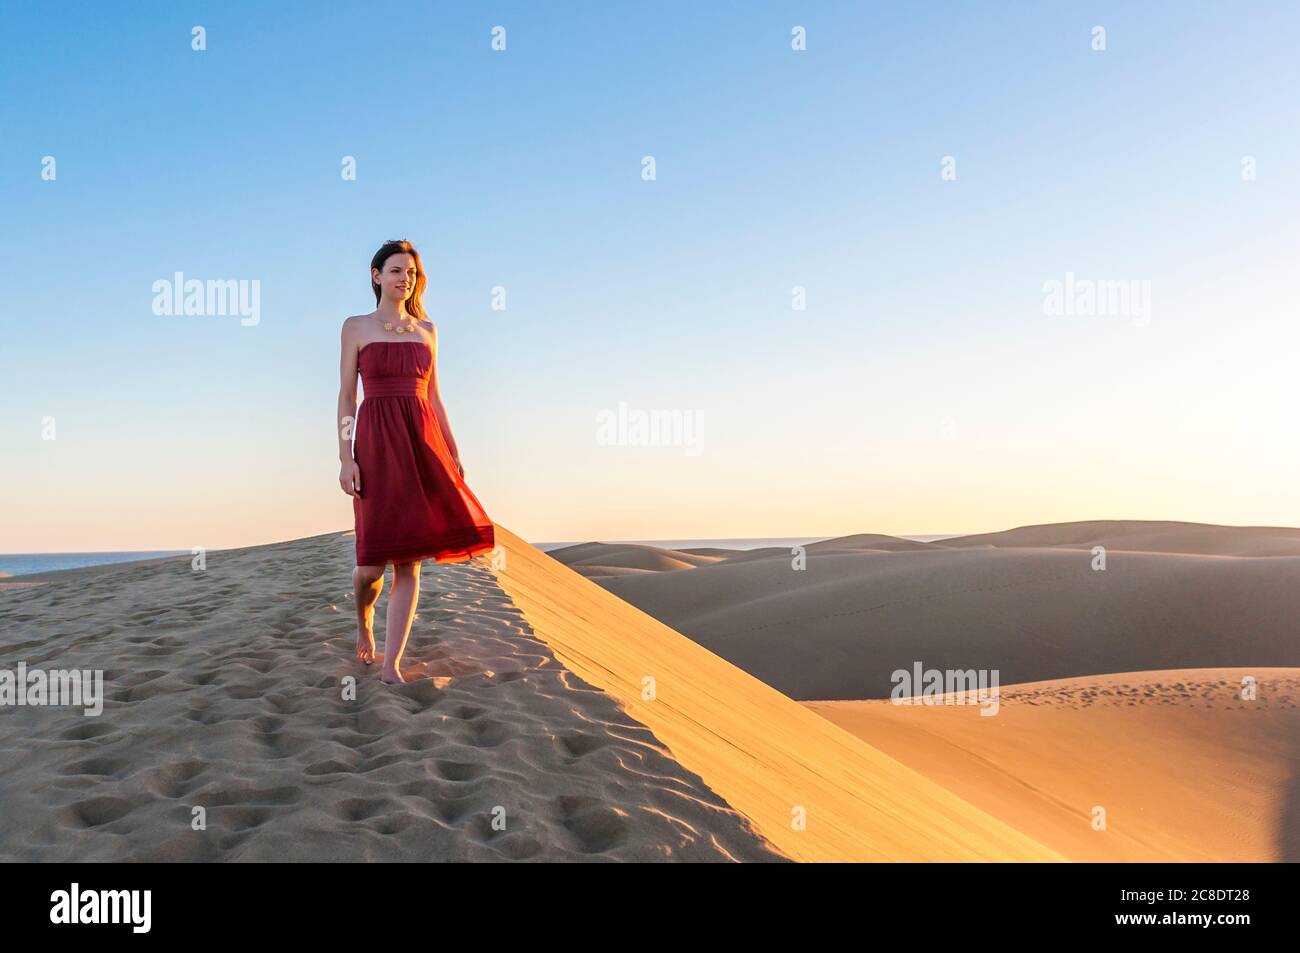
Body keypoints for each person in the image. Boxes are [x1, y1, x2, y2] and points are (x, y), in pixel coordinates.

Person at [336, 239, 495, 683]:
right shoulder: (356, 327)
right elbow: (347, 397)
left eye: (410, 272)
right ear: (376, 276)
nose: (404, 279)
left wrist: (453, 448)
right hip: (376, 443)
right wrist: (345, 457)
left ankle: (391, 665)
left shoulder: (428, 330)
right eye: (395, 271)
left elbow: (435, 397)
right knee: (370, 566)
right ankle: (364, 622)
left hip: (422, 442)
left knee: (410, 561)